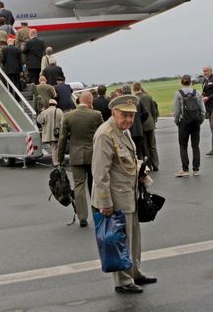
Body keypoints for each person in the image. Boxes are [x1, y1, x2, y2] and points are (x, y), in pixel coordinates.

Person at [92, 95, 157, 294]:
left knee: (133, 238)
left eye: (131, 115)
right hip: (114, 197)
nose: (129, 119)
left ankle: (134, 272)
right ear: (114, 113)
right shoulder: (105, 134)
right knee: (120, 239)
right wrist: (105, 202)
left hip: (129, 194)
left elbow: (129, 160)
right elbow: (99, 172)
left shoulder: (123, 131)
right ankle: (123, 280)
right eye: (124, 115)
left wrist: (140, 173)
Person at [57, 91, 103, 227]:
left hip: (76, 155)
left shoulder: (68, 116)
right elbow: (104, 133)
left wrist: (60, 159)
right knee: (94, 184)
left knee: (79, 186)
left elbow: (62, 139)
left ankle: (82, 217)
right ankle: (97, 213)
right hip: (93, 155)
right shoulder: (96, 115)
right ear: (90, 102)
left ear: (79, 100)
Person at [173, 75, 205, 177]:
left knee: (183, 146)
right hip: (196, 122)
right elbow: (202, 109)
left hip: (184, 122)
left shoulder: (178, 93)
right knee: (195, 146)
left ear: (181, 82)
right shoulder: (197, 92)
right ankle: (196, 169)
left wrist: (177, 121)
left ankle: (185, 169)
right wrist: (200, 120)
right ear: (191, 82)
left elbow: (177, 111)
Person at [133, 82, 160, 171]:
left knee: (145, 147)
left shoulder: (135, 99)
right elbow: (153, 110)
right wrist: (154, 121)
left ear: (133, 89)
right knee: (152, 145)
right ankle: (156, 164)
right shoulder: (148, 96)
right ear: (140, 87)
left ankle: (148, 165)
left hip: (141, 125)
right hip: (150, 123)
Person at [121, 83, 148, 161]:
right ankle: (142, 170)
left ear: (123, 91)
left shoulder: (121, 101)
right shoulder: (136, 100)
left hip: (127, 131)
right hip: (138, 130)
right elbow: (146, 113)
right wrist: (139, 122)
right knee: (139, 152)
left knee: (128, 153)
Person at [36, 99, 64, 166]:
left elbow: (39, 121)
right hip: (59, 132)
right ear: (55, 104)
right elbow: (63, 121)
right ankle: (61, 162)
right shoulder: (59, 111)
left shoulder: (45, 112)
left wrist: (41, 112)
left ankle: (55, 163)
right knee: (60, 148)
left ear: (49, 104)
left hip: (50, 134)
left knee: (54, 148)